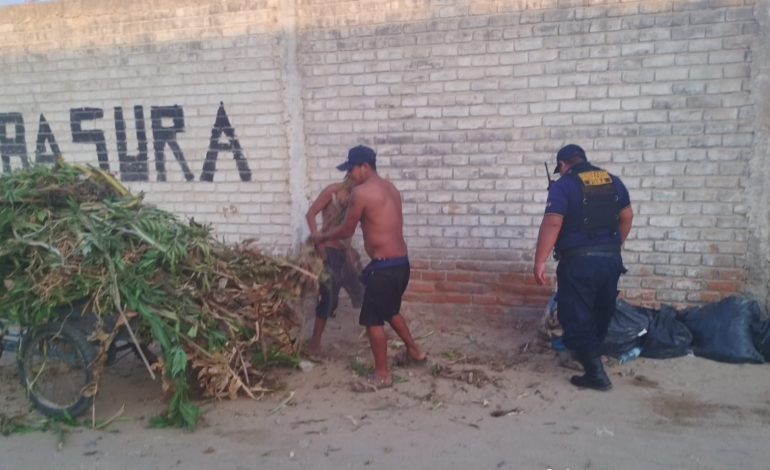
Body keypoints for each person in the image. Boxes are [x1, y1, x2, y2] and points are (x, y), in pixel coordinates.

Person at [315, 145, 427, 392]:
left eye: (351, 169)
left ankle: (382, 376)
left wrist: (322, 237)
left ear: (365, 166)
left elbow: (346, 230)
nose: (349, 176)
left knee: (372, 319)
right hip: (400, 264)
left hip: (384, 267)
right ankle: (415, 351)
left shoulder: (362, 193)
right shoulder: (391, 189)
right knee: (389, 309)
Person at [533, 144, 633, 391]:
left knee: (575, 315)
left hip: (579, 262)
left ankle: (595, 374)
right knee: (602, 310)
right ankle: (589, 355)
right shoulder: (613, 180)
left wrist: (539, 261)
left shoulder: (563, 185)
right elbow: (627, 216)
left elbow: (553, 223)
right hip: (611, 260)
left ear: (563, 165)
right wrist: (612, 245)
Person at [305, 177, 365, 357]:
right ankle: (314, 346)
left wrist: (350, 251)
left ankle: (374, 335)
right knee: (328, 300)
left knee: (362, 294)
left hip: (344, 255)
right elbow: (310, 214)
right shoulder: (332, 191)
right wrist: (319, 243)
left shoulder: (359, 197)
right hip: (329, 252)